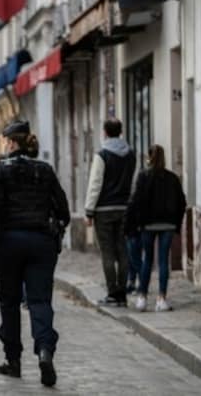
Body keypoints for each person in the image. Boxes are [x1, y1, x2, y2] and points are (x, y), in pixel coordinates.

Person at [0, 120, 70, 388]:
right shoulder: (45, 170)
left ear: (11, 142)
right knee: (40, 300)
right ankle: (44, 351)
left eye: (5, 140)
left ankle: (13, 361)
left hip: (9, 242)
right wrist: (56, 230)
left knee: (9, 302)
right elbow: (62, 210)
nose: (4, 145)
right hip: (41, 242)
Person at [125, 145, 186, 312]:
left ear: (149, 157)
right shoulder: (172, 178)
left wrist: (133, 223)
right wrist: (176, 223)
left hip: (147, 225)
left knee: (147, 260)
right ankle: (161, 298)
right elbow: (182, 201)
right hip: (167, 224)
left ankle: (142, 298)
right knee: (163, 261)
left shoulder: (143, 176)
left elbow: (135, 201)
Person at [84, 118, 136, 307]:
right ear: (120, 132)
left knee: (107, 252)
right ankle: (122, 292)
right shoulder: (131, 154)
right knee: (123, 250)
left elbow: (95, 184)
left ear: (105, 132)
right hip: (123, 208)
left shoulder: (102, 155)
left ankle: (112, 292)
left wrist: (89, 210)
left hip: (103, 209)